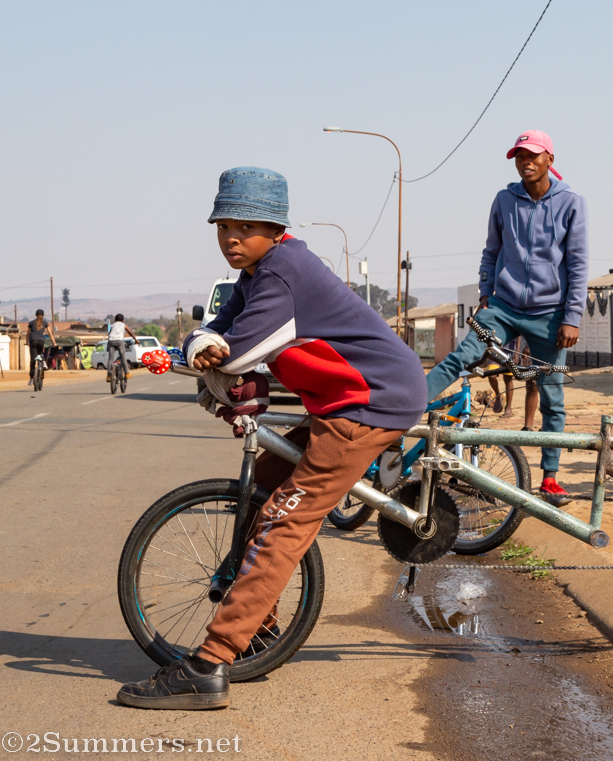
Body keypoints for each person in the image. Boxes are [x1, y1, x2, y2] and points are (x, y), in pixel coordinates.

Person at [116, 166, 427, 710]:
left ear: (276, 228)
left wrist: (214, 350)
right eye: (223, 228)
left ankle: (211, 662)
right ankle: (259, 629)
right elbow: (216, 330)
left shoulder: (283, 274)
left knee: (284, 521)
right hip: (349, 398)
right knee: (266, 485)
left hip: (371, 403)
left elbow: (237, 350)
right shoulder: (260, 273)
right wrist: (200, 343)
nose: (232, 239)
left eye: (246, 228)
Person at [424, 130, 588, 506]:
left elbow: (578, 265)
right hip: (503, 306)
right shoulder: (504, 200)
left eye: (532, 155)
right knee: (460, 358)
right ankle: (403, 412)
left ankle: (550, 479)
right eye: (519, 156)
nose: (525, 162)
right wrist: (485, 295)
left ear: (549, 158)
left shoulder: (571, 203)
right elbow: (491, 251)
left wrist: (573, 316)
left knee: (552, 394)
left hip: (551, 314)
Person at [487, 339, 517, 416]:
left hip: (510, 347)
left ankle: (508, 407)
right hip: (494, 346)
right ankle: (498, 395)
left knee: (508, 378)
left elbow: (518, 334)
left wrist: (517, 352)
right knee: (491, 375)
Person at [26, 309, 57, 385]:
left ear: (35, 315)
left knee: (33, 360)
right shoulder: (45, 323)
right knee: (40, 353)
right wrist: (54, 343)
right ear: (43, 315)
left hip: (33, 341)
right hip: (41, 341)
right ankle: (43, 362)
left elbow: (27, 334)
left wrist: (27, 342)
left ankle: (31, 379)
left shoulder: (31, 323)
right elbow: (50, 333)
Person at [106, 313, 139, 381]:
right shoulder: (124, 325)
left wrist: (109, 343)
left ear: (115, 320)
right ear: (123, 320)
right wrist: (136, 340)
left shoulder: (112, 325)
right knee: (123, 358)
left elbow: (109, 334)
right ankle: (127, 373)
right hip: (119, 341)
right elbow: (131, 333)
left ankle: (109, 375)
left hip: (111, 341)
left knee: (110, 359)